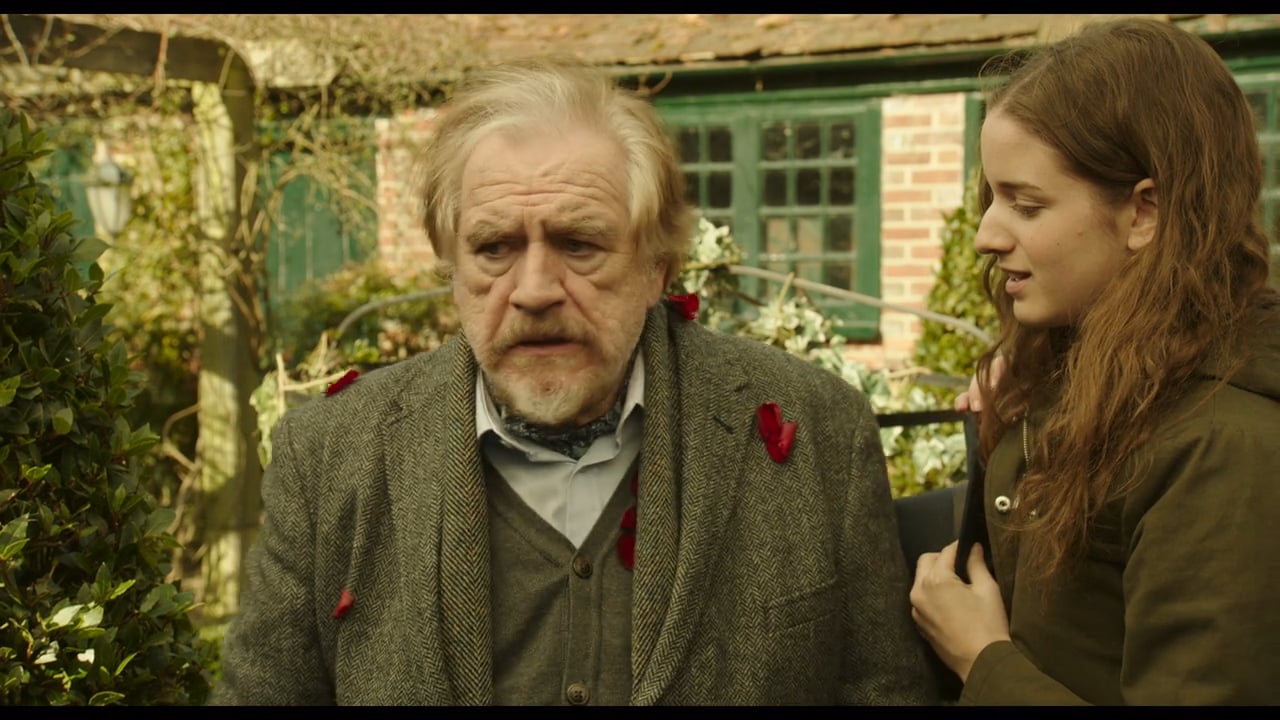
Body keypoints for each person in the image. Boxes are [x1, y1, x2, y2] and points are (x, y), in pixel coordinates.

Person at [212, 57, 937, 706]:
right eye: (494, 247)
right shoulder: (329, 456)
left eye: (579, 243)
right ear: (452, 267)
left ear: (656, 267)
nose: (534, 290)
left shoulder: (820, 434)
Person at [909, 17, 1280, 705]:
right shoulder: (1083, 374)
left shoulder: (1223, 447)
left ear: (1145, 213)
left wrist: (981, 658)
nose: (986, 235)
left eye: (1025, 204)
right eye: (992, 197)